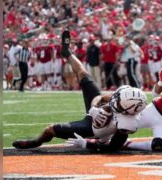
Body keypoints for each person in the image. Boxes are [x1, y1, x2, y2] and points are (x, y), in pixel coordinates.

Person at [12, 30, 148, 152]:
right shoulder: (124, 98)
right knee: (83, 74)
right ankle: (67, 53)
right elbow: (101, 98)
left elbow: (113, 148)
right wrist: (94, 108)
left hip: (93, 128)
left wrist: (87, 144)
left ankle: (35, 142)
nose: (115, 100)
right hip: (95, 113)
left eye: (118, 102)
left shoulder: (127, 124)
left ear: (127, 111)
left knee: (50, 130)